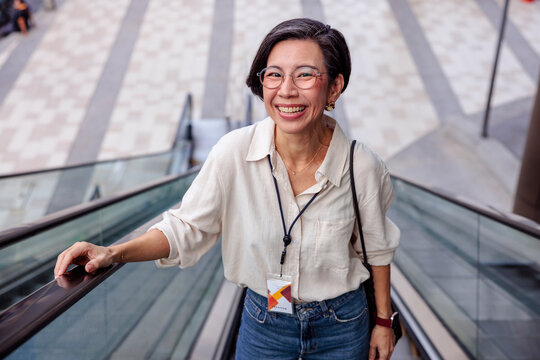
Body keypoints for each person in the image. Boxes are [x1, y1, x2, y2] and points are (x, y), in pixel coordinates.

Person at [54, 18, 400, 360]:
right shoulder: (233, 153)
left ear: (335, 87)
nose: (287, 90)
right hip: (264, 322)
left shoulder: (362, 167)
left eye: (305, 74)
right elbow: (186, 227)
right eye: (274, 74)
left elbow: (378, 250)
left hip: (341, 324)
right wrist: (114, 253)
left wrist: (383, 321)